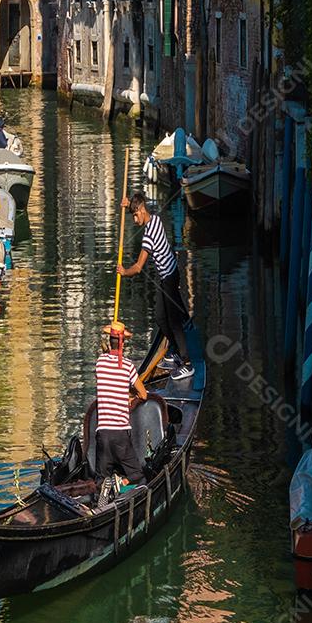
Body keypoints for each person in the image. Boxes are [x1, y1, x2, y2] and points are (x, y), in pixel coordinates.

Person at [118, 191, 194, 381]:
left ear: (142, 210)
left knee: (174, 321)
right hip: (168, 276)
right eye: (133, 215)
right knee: (161, 317)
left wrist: (123, 271)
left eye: (135, 215)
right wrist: (128, 205)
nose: (135, 220)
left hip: (169, 277)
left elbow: (137, 268)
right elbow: (138, 202)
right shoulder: (156, 220)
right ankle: (174, 351)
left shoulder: (148, 238)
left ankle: (187, 363)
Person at [94, 324, 148, 494]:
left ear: (110, 342)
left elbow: (105, 379)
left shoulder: (100, 363)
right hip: (121, 436)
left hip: (102, 435)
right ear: (123, 343)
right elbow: (144, 394)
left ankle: (103, 499)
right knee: (137, 474)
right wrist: (131, 396)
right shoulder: (128, 366)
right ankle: (122, 482)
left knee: (100, 481)